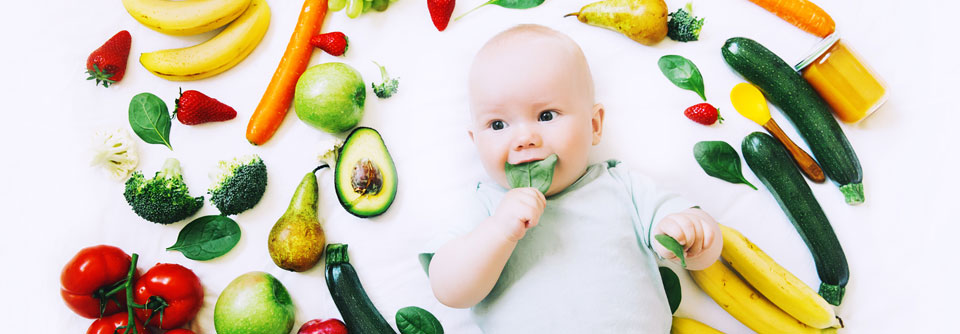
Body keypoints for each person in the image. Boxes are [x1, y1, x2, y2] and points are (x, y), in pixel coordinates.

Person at [419, 24, 722, 333]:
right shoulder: (484, 207)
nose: (524, 138)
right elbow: (448, 290)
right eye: (498, 125)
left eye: (546, 116)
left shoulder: (622, 187)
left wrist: (693, 234)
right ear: (475, 141)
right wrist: (498, 231)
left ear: (594, 125)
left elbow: (703, 255)